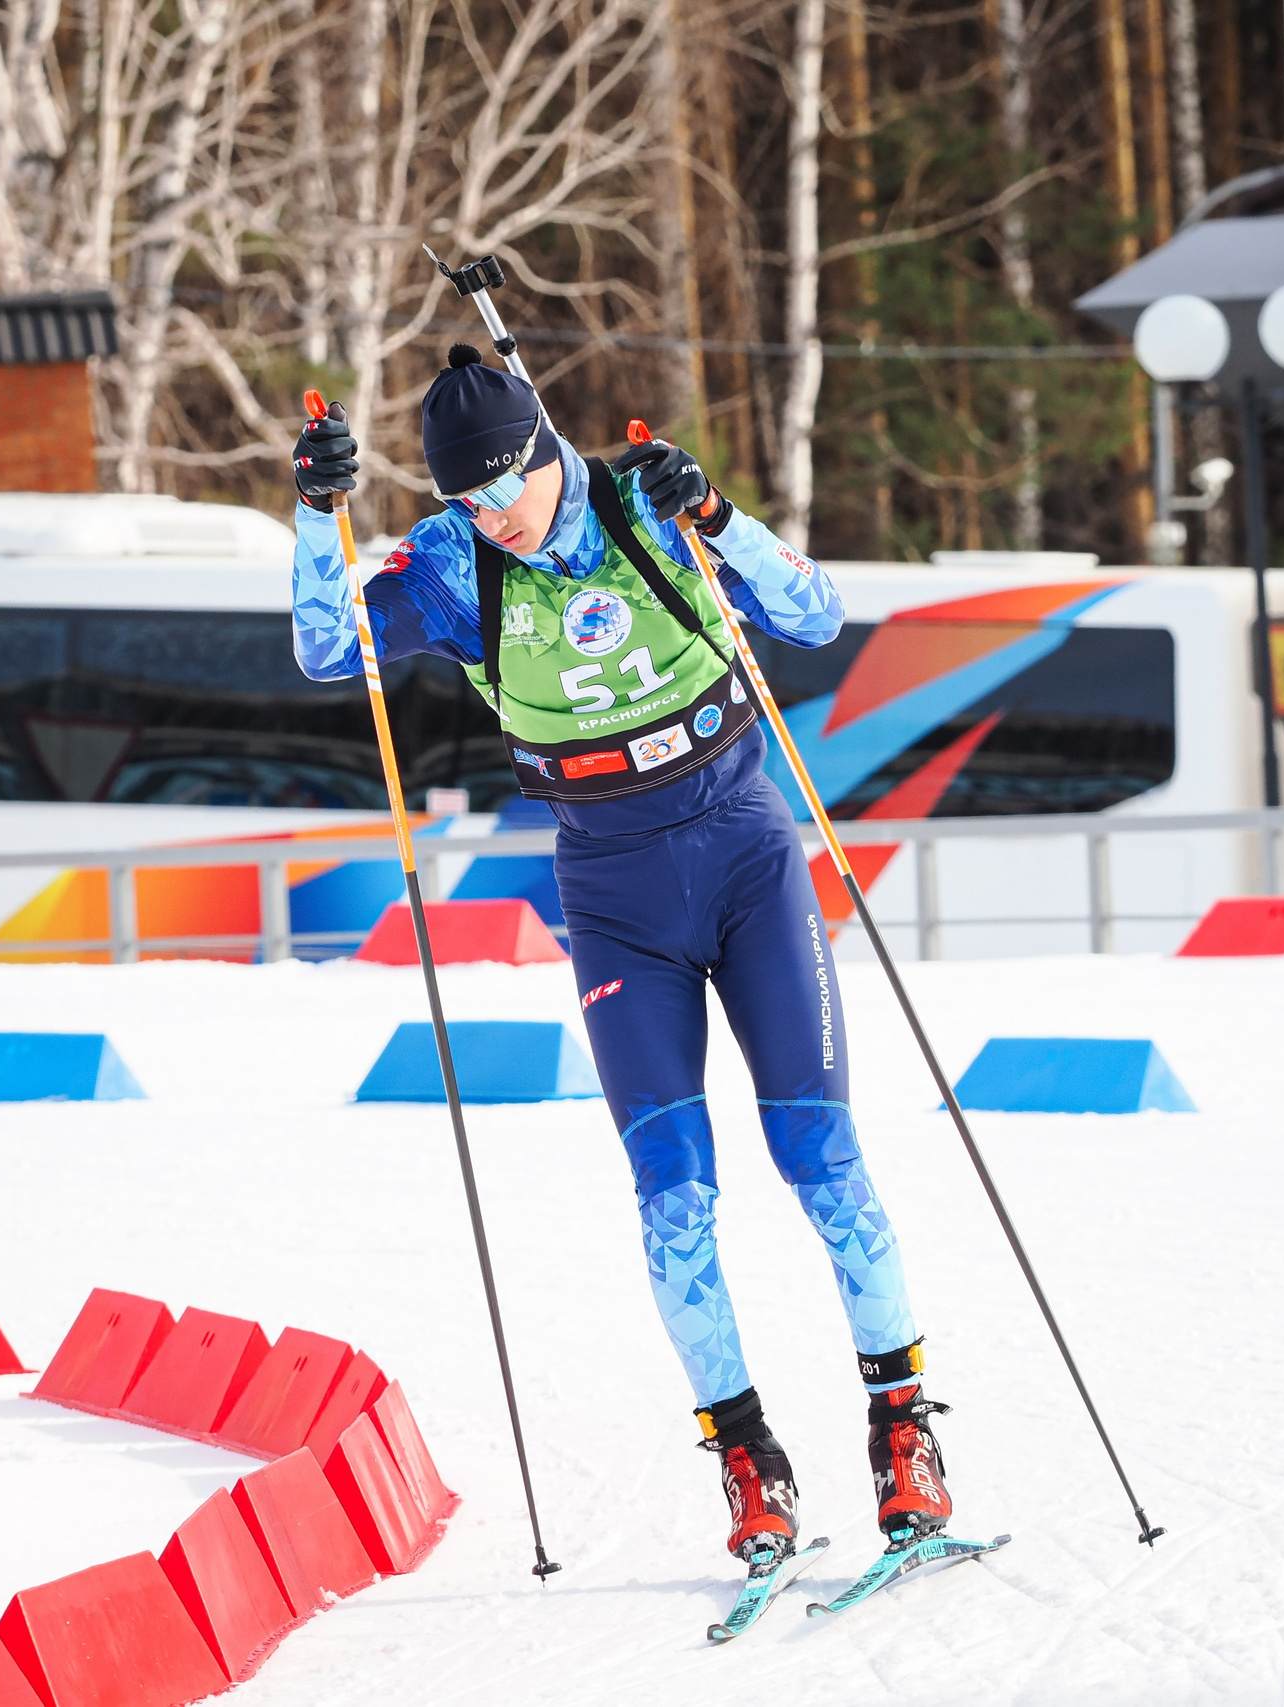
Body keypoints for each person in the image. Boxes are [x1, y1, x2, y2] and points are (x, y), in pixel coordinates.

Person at [287, 346, 953, 1573]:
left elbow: (812, 614)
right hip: (611, 893)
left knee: (818, 1153)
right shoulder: (451, 566)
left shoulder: (648, 502)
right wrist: (316, 515)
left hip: (746, 857)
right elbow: (331, 653)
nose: (490, 518)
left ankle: (901, 1426)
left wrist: (719, 517)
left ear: (541, 453)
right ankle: (748, 1459)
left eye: (500, 491)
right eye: (464, 502)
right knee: (674, 1198)